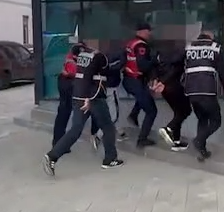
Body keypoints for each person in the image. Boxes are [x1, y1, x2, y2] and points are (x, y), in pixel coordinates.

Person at [43, 42, 124, 175]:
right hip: (93, 97)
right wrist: (88, 98)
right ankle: (110, 159)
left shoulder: (83, 57)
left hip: (78, 96)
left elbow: (103, 71)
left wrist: (120, 64)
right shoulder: (99, 57)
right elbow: (89, 76)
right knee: (108, 126)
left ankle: (52, 156)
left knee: (76, 129)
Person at [183, 30, 224, 162]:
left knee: (202, 119)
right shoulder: (215, 47)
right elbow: (222, 70)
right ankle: (199, 140)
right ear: (210, 37)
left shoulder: (188, 47)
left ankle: (202, 151)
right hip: (207, 90)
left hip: (191, 91)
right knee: (216, 120)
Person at [52, 40, 99, 154]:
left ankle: (58, 142)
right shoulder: (82, 54)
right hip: (72, 83)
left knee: (63, 112)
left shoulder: (72, 52)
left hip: (64, 81)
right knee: (92, 107)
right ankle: (94, 134)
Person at [121, 22, 158, 147]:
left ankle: (133, 114)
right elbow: (143, 66)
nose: (149, 33)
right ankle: (142, 139)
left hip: (129, 79)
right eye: (148, 31)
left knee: (145, 96)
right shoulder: (141, 46)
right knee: (152, 111)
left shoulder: (130, 43)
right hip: (135, 81)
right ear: (141, 32)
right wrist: (155, 60)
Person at [150, 49, 191, 151]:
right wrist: (162, 82)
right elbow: (174, 72)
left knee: (178, 113)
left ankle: (176, 141)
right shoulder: (178, 61)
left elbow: (154, 69)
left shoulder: (161, 60)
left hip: (165, 90)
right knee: (186, 111)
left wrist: (157, 81)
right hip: (175, 88)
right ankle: (168, 129)